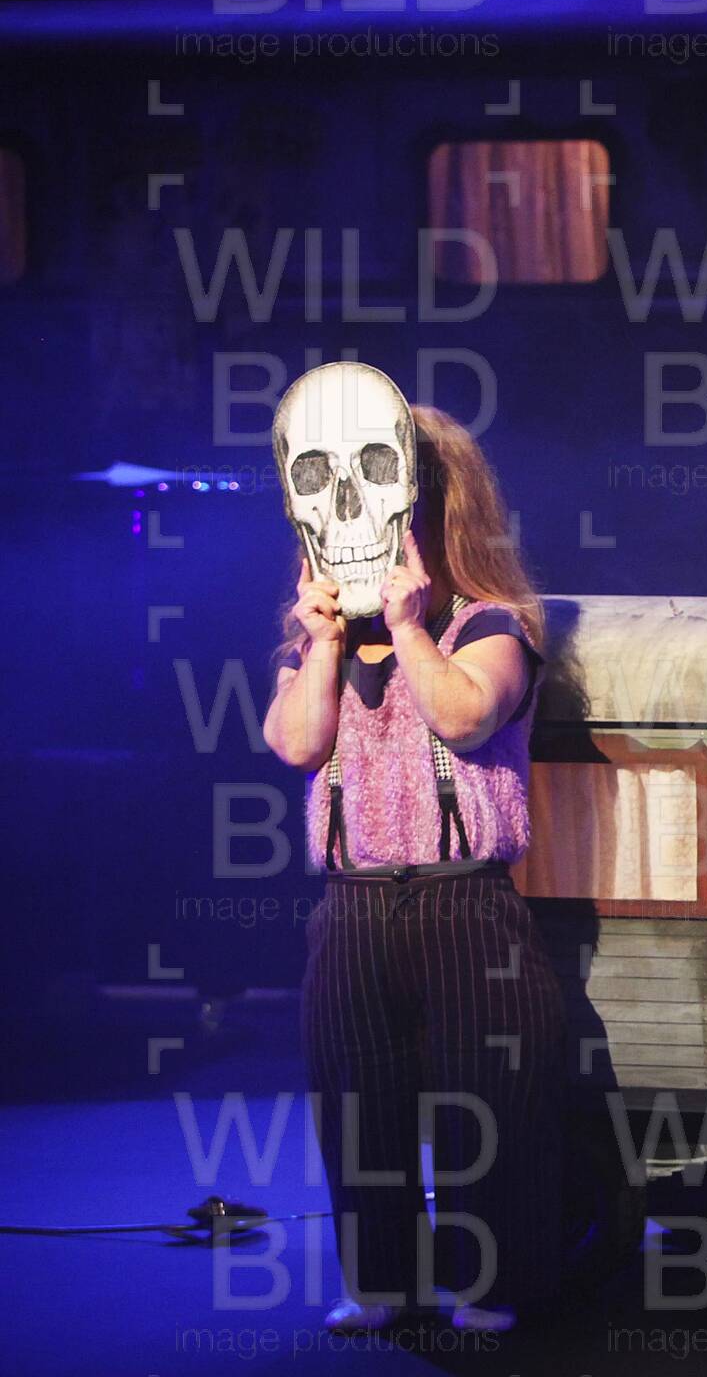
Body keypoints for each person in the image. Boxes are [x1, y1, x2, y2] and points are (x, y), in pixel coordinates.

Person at [262, 402, 560, 1334]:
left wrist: (409, 627)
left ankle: (489, 1281)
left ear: (430, 506)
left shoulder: (489, 625)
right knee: (360, 1103)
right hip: (353, 904)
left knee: (484, 1105)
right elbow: (296, 743)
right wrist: (324, 644)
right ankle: (383, 1282)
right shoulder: (316, 643)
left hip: (462, 902)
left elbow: (465, 716)